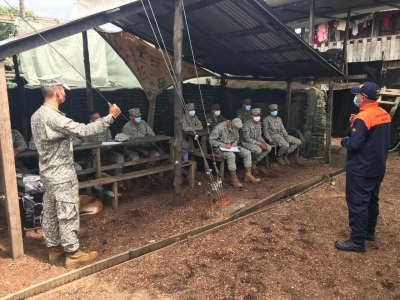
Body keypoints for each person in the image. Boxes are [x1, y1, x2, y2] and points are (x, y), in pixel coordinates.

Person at [31, 74, 121, 269]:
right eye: (62, 89)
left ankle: (55, 250)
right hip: (62, 175)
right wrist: (111, 117)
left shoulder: (36, 116)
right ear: (57, 91)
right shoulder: (53, 117)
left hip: (47, 174)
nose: (64, 93)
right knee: (68, 213)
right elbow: (83, 131)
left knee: (52, 213)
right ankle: (73, 254)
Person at [334, 82, 391, 253]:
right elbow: (373, 137)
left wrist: (344, 140)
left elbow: (353, 144)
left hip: (361, 169)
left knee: (358, 203)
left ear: (363, 98)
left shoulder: (363, 117)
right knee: (372, 200)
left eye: (357, 95)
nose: (356, 97)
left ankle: (357, 241)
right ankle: (369, 232)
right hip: (377, 167)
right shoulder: (384, 114)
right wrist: (355, 125)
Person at [209, 118, 260, 188]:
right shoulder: (220, 128)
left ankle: (248, 174)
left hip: (232, 146)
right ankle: (234, 179)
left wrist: (233, 144)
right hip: (219, 148)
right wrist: (223, 145)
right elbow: (211, 141)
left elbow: (237, 138)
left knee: (247, 152)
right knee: (231, 155)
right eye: (235, 128)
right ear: (231, 124)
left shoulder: (236, 128)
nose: (236, 129)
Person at [84, 111, 125, 186]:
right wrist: (97, 153)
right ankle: (97, 185)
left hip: (106, 153)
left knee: (120, 159)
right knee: (94, 167)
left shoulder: (105, 128)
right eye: (96, 118)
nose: (99, 119)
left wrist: (105, 152)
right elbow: (86, 145)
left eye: (99, 117)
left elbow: (109, 140)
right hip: (94, 155)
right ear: (91, 121)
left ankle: (117, 181)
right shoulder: (86, 130)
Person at [240, 108, 271, 175]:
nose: (257, 117)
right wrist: (260, 144)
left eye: (258, 115)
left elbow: (258, 136)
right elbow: (247, 138)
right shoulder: (246, 124)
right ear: (251, 116)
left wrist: (263, 142)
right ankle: (248, 164)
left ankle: (254, 162)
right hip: (244, 143)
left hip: (255, 142)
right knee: (258, 150)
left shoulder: (259, 124)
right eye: (256, 115)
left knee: (269, 147)